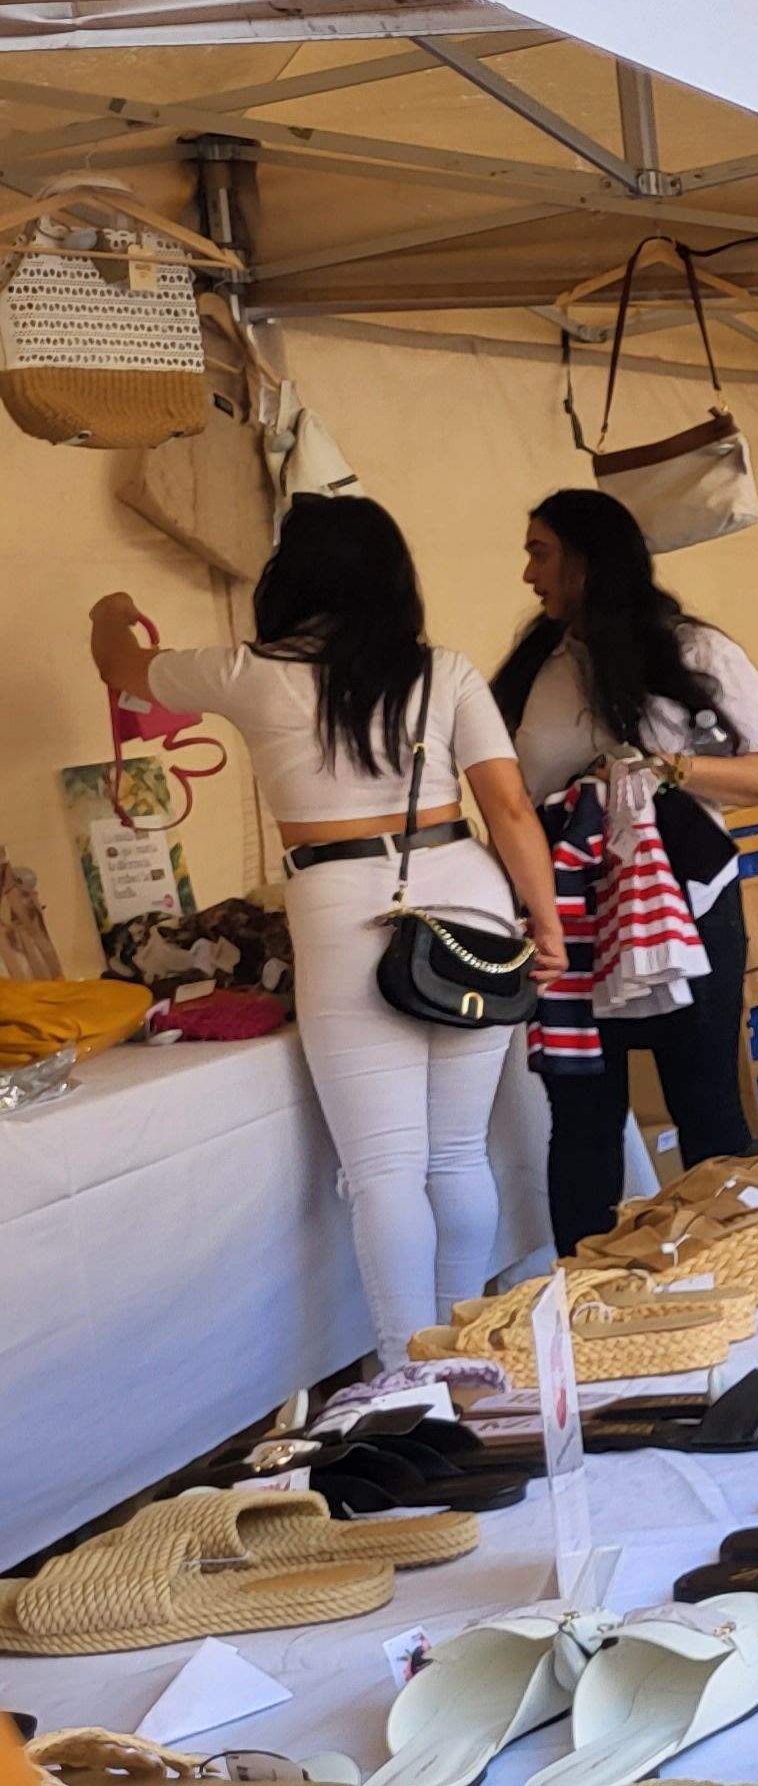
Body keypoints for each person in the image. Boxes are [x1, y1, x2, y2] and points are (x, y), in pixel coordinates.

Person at [86, 499, 570, 1354]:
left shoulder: (250, 670)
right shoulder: (446, 671)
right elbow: (509, 810)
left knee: (383, 1168)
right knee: (458, 1155)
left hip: (347, 907)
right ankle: (468, 1357)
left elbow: (123, 668)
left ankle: (409, 1376)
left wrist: (110, 610)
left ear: (290, 577)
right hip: (469, 899)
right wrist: (546, 923)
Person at [499, 489, 758, 1249]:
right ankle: (589, 1299)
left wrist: (667, 771)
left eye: (540, 552)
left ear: (587, 560)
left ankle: (744, 1271)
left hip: (684, 906)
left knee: (704, 1103)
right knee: (583, 1118)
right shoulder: (539, 662)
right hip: (569, 917)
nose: (528, 574)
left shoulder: (692, 651)